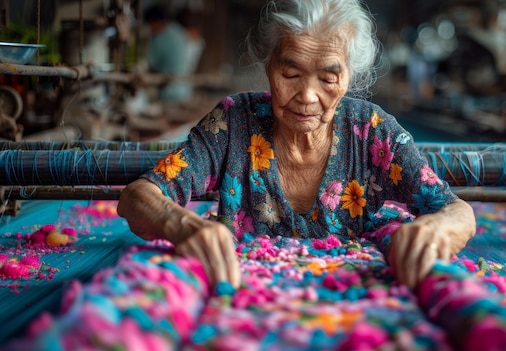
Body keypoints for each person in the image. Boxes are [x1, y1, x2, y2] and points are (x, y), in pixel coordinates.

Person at [118, 0, 476, 292]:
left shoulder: (370, 131)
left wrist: (435, 230)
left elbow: (457, 212)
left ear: (349, 76)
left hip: (353, 300)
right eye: (290, 75)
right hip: (242, 297)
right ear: (268, 64)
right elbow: (139, 196)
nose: (307, 96)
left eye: (328, 77)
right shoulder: (233, 123)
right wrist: (180, 225)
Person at [143, 4, 193, 103]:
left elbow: (150, 64)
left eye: (150, 24)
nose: (150, 28)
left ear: (155, 22)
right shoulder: (179, 30)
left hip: (169, 93)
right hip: (184, 90)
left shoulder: (160, 38)